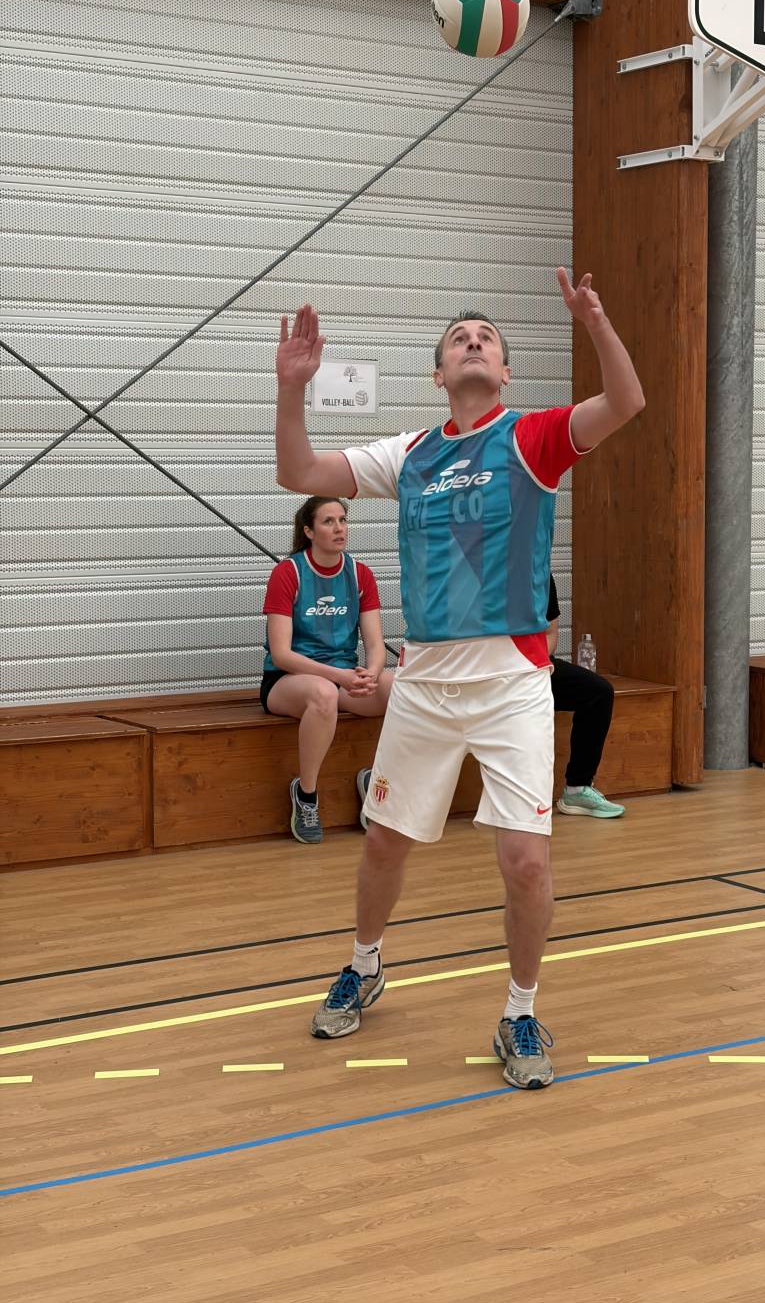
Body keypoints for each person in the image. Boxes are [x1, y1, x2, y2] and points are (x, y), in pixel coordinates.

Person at [274, 267, 644, 1090]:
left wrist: (596, 321)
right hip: (427, 682)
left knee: (526, 862)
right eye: (457, 340)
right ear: (439, 374)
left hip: (512, 682)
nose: (473, 343)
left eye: (487, 339)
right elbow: (298, 473)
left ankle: (520, 1012)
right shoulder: (408, 454)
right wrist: (292, 388)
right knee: (385, 842)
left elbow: (626, 401)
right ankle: (364, 965)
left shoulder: (533, 437)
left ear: (504, 371)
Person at [261, 496, 393, 844]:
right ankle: (306, 795)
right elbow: (282, 654)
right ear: (309, 531)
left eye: (343, 520)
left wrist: (372, 673)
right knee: (322, 694)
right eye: (328, 521)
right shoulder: (288, 572)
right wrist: (339, 677)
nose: (339, 528)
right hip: (288, 681)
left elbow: (375, 644)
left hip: (343, 677)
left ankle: (377, 782)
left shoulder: (360, 573)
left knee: (400, 687)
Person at [547, 576, 625, 819]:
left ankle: (577, 788)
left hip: (535, 665)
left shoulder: (540, 573)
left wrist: (534, 666)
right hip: (494, 669)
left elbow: (550, 634)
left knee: (598, 691)